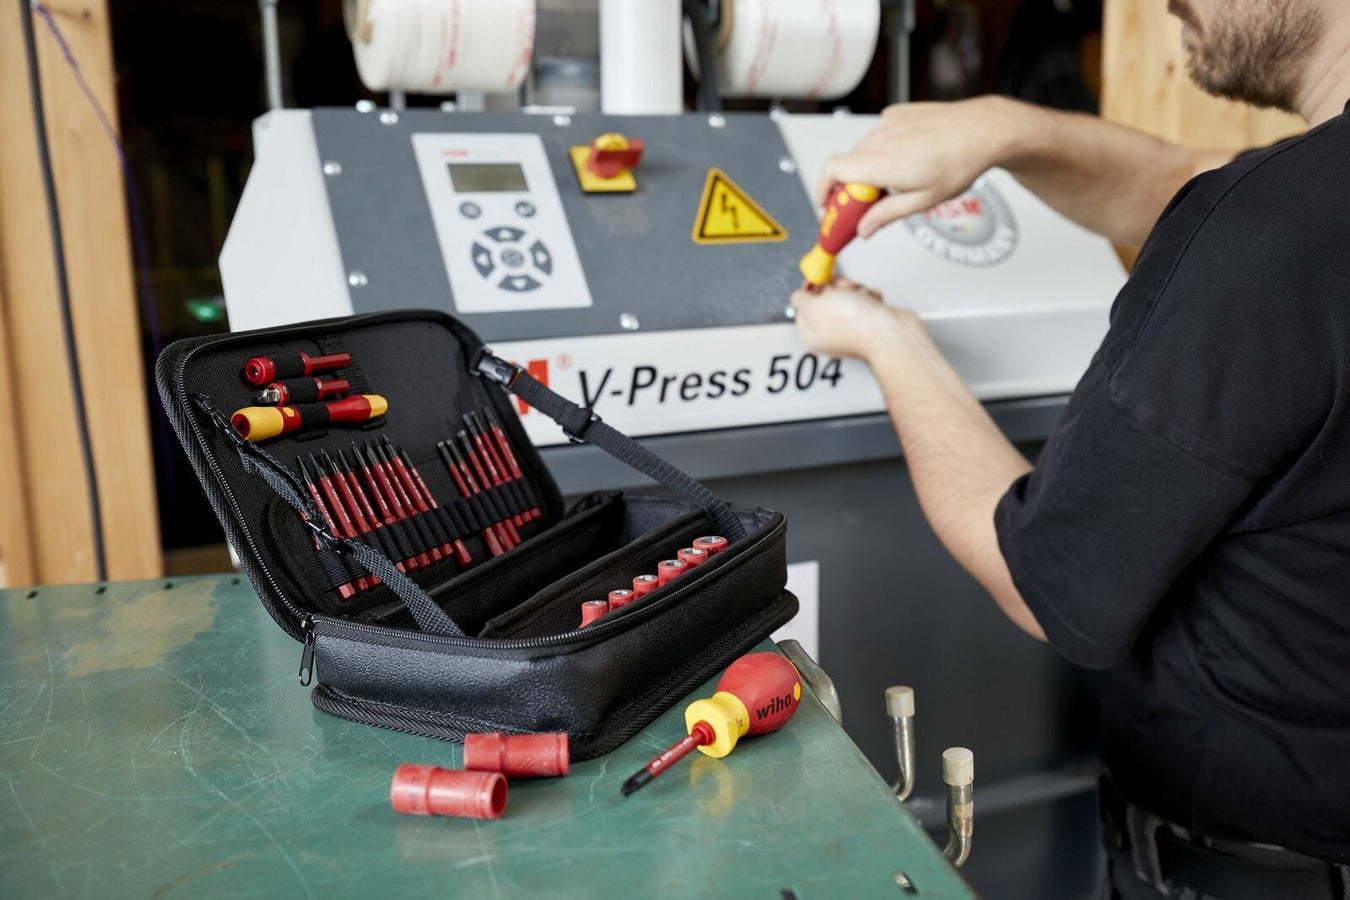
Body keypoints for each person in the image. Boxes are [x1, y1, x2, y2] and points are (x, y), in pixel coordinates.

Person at [791, 1, 1350, 897]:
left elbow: (1043, 577)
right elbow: (1185, 179)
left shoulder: (1260, 239)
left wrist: (886, 341)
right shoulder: (1288, 214)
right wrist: (1003, 129)